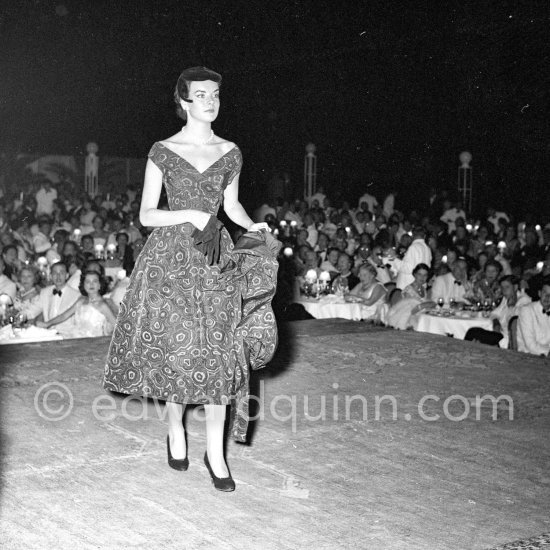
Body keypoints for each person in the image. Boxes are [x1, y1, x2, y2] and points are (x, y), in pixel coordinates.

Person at [103, 67, 273, 492]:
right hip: (170, 261)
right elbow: (146, 215)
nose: (210, 102)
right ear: (183, 102)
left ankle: (215, 453)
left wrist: (256, 227)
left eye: (215, 94)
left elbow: (231, 207)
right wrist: (193, 214)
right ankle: (174, 429)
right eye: (200, 95)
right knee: (179, 353)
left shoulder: (230, 151)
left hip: (215, 259)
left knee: (218, 355)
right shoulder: (162, 150)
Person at [37, 270, 116, 338]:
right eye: (88, 282)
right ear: (83, 285)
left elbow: (118, 327)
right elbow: (64, 316)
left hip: (95, 344)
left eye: (94, 281)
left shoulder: (103, 305)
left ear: (99, 285)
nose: (91, 284)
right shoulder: (81, 300)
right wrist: (47, 324)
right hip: (76, 339)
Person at [26, 261, 81, 334]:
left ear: (67, 275)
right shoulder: (45, 292)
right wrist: (19, 316)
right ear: (51, 276)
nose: (58, 276)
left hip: (67, 335)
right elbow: (33, 309)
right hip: (48, 334)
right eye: (55, 273)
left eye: (61, 273)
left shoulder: (76, 295)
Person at [387, 263, 435, 330]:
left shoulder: (423, 289)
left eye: (425, 275)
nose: (422, 277)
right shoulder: (408, 290)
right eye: (419, 274)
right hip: (409, 323)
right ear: (415, 274)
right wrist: (424, 305)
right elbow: (408, 312)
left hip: (421, 319)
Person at [517, 276, 550, 356]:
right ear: (539, 293)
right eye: (545, 293)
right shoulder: (527, 310)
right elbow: (530, 345)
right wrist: (548, 353)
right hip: (527, 356)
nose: (547, 297)